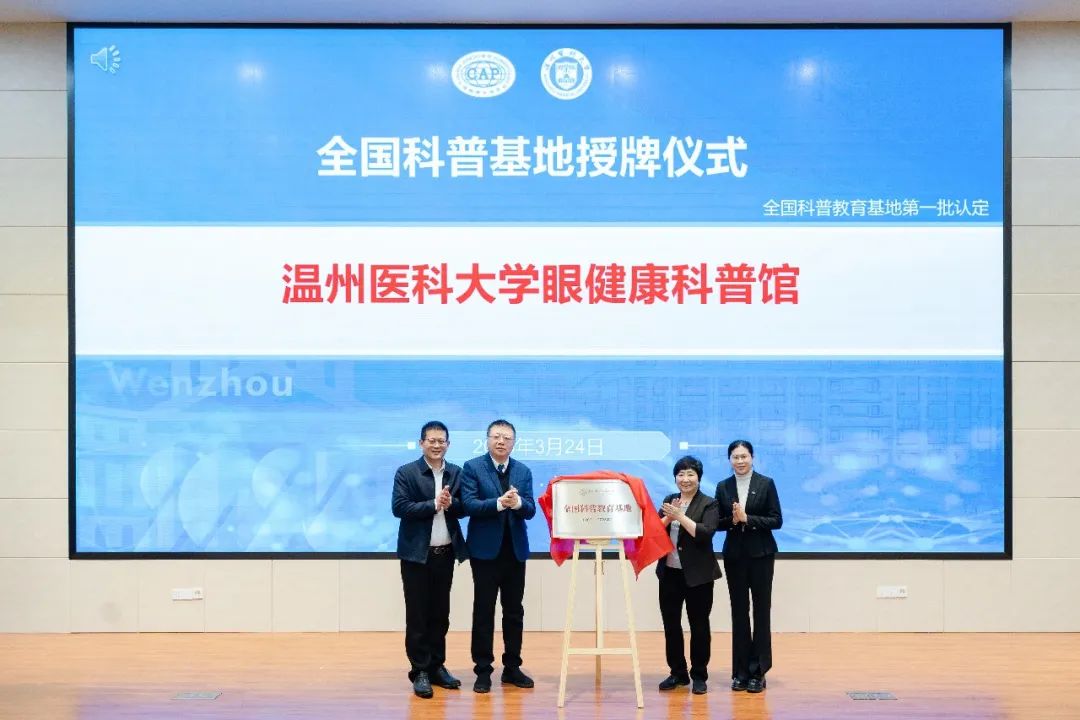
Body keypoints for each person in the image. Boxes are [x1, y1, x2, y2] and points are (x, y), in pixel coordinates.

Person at [391, 421, 469, 699]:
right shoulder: (407, 472)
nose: (437, 445)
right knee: (418, 615)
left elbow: (465, 507)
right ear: (421, 443)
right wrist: (434, 504)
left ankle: (437, 666)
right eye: (431, 441)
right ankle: (420, 671)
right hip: (416, 556)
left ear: (448, 444)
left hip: (445, 554)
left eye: (441, 441)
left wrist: (451, 504)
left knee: (440, 614)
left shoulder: (456, 472)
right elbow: (399, 507)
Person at [460, 419, 537, 693]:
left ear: (514, 442)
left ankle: (512, 667)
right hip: (484, 553)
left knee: (514, 611)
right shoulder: (473, 467)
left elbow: (530, 509)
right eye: (496, 436)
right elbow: (469, 504)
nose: (501, 441)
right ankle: (483, 670)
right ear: (487, 439)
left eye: (506, 437)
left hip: (515, 552)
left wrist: (517, 503)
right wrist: (498, 504)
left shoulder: (523, 471)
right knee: (484, 611)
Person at [715, 440, 783, 694]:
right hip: (735, 556)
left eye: (744, 456)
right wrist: (733, 521)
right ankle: (741, 672)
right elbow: (717, 523)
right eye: (735, 457)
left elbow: (776, 520)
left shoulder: (766, 483)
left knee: (761, 611)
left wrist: (748, 519)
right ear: (729, 460)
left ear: (752, 457)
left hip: (761, 555)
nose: (740, 461)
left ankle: (758, 671)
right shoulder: (723, 486)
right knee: (739, 612)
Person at [656, 455, 722, 695]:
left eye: (690, 474)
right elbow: (654, 531)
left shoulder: (709, 503)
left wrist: (680, 516)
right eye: (681, 474)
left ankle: (699, 675)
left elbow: (704, 533)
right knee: (671, 625)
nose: (685, 479)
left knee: (699, 625)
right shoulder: (669, 500)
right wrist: (668, 516)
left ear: (698, 478)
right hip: (670, 573)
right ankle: (678, 673)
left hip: (698, 576)